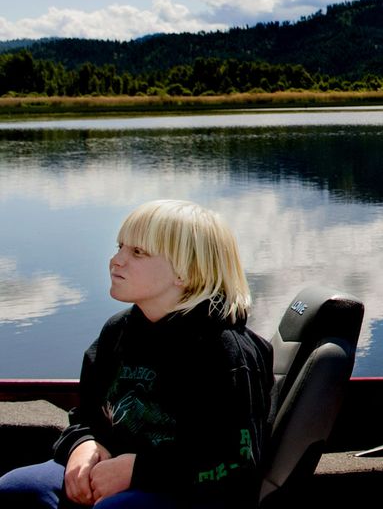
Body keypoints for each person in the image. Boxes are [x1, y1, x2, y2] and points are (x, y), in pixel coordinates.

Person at [0, 200, 274, 508]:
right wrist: (82, 444)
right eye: (119, 247)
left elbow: (238, 463)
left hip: (190, 494)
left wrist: (140, 471)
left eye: (137, 253)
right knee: (19, 489)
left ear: (185, 272)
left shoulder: (225, 353)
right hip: (113, 469)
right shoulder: (118, 331)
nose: (116, 260)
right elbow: (87, 415)